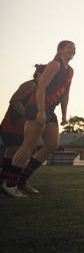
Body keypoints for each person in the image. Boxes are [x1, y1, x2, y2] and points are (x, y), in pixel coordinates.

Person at [1, 40, 75, 197]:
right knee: (28, 146)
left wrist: (63, 114)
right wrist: (41, 111)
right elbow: (41, 87)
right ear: (60, 49)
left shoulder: (70, 71)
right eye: (69, 47)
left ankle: (22, 180)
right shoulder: (54, 64)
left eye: (74, 49)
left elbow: (65, 94)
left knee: (52, 145)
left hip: (51, 111)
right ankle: (10, 184)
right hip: (37, 108)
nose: (73, 50)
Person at [0, 64, 46, 193]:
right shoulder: (31, 84)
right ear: (39, 74)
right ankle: (8, 183)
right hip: (13, 123)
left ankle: (15, 182)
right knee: (14, 152)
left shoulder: (42, 89)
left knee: (21, 153)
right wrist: (28, 115)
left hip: (25, 126)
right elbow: (14, 100)